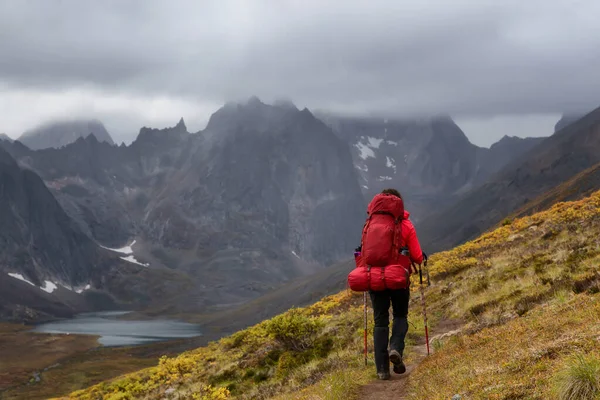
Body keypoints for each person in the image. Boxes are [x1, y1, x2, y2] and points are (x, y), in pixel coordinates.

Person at [370, 188, 424, 380]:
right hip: (399, 278)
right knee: (400, 315)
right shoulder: (406, 225)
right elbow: (417, 256)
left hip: (375, 278)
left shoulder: (370, 223)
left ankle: (382, 370)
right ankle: (396, 348)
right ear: (399, 204)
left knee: (380, 321)